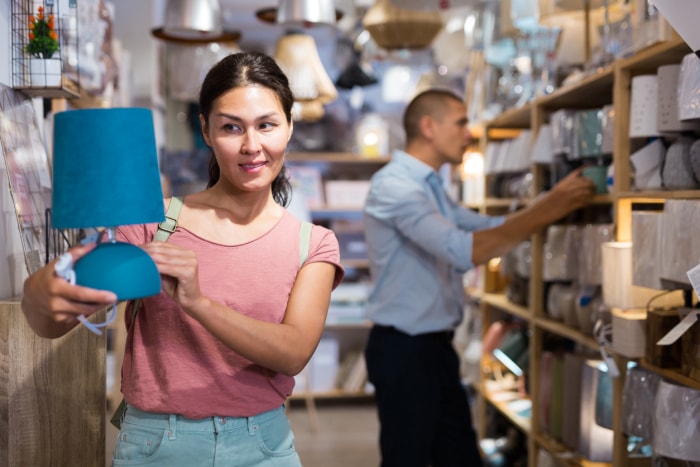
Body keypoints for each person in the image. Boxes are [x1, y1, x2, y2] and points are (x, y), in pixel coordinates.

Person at [21, 51, 344, 466]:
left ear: (289, 127)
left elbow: (294, 350)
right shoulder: (152, 226)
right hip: (156, 445)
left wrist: (198, 303)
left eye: (267, 125)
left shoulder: (312, 243)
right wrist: (41, 295)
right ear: (206, 130)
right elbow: (53, 318)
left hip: (263, 446)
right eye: (231, 127)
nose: (252, 146)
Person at [363, 88, 595, 467]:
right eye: (461, 122)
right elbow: (466, 249)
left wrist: (550, 205)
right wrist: (552, 205)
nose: (469, 133)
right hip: (404, 350)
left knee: (458, 455)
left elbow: (489, 227)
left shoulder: (430, 185)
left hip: (432, 348)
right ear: (428, 127)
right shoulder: (396, 186)